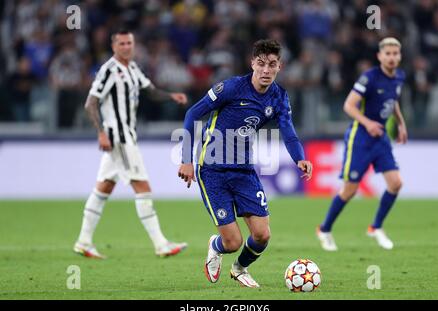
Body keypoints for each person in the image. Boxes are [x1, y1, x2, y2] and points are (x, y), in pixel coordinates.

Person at [178, 39, 313, 288]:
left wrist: (300, 158)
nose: (265, 70)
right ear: (252, 63)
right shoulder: (229, 88)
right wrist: (186, 159)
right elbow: (192, 114)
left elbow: (289, 131)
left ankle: (240, 269)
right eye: (261, 64)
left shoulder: (279, 97)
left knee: (262, 235)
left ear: (279, 67)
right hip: (212, 170)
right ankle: (215, 246)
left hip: (244, 170)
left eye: (271, 65)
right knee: (232, 243)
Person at [74, 30, 188, 259]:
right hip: (120, 139)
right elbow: (90, 103)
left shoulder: (132, 68)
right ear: (113, 45)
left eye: (130, 43)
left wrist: (170, 96)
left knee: (103, 188)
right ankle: (160, 244)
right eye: (122, 43)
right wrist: (101, 133)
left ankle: (84, 241)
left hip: (126, 137)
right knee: (143, 188)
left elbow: (151, 91)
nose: (127, 47)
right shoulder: (108, 70)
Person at [316, 37, 408, 251]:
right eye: (388, 54)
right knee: (350, 190)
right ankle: (325, 229)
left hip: (381, 138)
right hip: (361, 138)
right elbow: (348, 106)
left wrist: (401, 124)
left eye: (395, 53)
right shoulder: (369, 78)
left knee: (396, 183)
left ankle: (375, 227)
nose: (392, 57)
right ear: (380, 56)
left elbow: (393, 103)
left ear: (400, 56)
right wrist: (368, 124)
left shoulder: (399, 77)